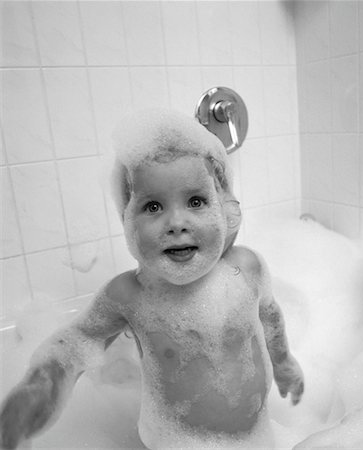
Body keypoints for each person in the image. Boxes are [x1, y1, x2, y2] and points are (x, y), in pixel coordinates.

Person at [0, 109, 304, 449]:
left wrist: (284, 363)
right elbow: (73, 347)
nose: (177, 222)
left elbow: (270, 315)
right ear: (127, 219)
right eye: (153, 207)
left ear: (223, 208)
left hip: (257, 439)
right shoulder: (130, 295)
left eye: (196, 201)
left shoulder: (246, 269)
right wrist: (35, 393)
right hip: (174, 441)